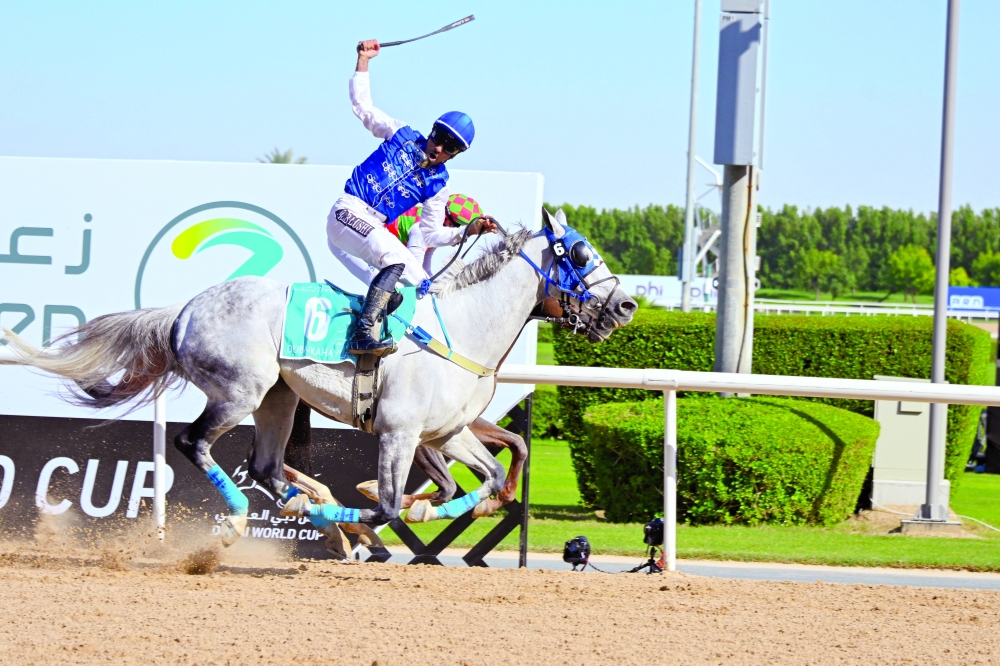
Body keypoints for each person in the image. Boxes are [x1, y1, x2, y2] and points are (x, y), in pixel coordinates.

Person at [327, 39, 497, 356]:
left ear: (456, 154)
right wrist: (364, 61)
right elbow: (363, 106)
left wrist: (467, 230)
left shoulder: (439, 183)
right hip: (347, 212)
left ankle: (389, 334)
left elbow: (428, 233)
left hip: (370, 232)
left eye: (450, 148)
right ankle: (362, 335)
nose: (439, 148)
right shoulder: (401, 133)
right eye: (439, 138)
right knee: (396, 260)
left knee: (422, 285)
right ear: (431, 130)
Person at [387, 193, 487, 275]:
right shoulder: (423, 228)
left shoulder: (434, 231)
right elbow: (412, 271)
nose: (461, 240)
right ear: (447, 220)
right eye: (457, 228)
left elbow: (426, 269)